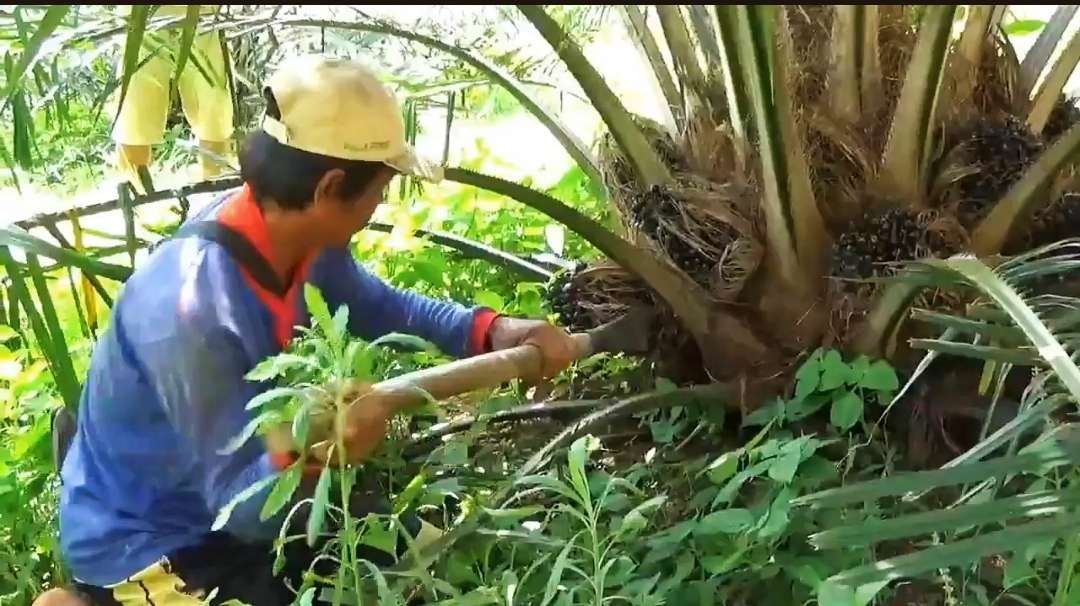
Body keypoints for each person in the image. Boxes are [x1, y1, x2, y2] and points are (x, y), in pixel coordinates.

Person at [57, 54, 577, 605]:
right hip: (157, 541)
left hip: (236, 488)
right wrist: (318, 450)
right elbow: (242, 510)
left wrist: (494, 331)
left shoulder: (296, 240)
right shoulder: (191, 315)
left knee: (434, 558)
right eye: (380, 189)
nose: (379, 204)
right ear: (330, 188)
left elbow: (382, 307)